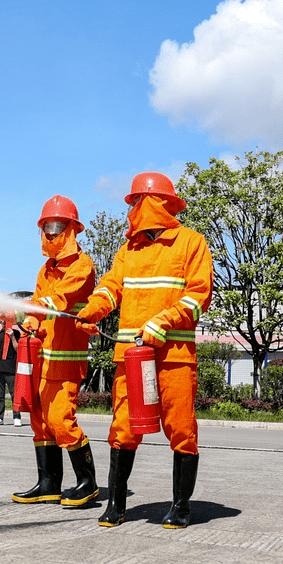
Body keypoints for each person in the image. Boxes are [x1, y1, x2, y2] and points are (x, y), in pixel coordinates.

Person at [76, 172, 213, 529]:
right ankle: (116, 506)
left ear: (156, 203)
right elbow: (110, 288)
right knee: (123, 428)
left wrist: (164, 320)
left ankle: (181, 507)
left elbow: (199, 296)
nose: (132, 210)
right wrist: (92, 309)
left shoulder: (190, 243)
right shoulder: (128, 250)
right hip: (131, 356)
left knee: (181, 428)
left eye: (137, 202)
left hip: (174, 356)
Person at [14, 195, 98, 507]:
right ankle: (48, 484)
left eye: (57, 226)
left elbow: (58, 301)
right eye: (47, 226)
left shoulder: (82, 267)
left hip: (66, 359)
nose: (51, 232)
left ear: (72, 229)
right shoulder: (44, 271)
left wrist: (30, 308)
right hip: (42, 357)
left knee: (61, 420)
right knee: (41, 421)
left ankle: (87, 483)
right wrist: (27, 321)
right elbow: (38, 307)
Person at [0, 312, 21, 426]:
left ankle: (17, 417)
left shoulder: (16, 333)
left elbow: (18, 349)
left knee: (14, 395)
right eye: (1, 320)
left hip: (12, 370)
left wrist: (12, 337)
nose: (2, 322)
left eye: (5, 320)